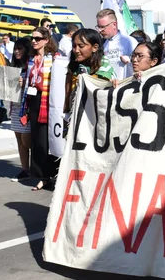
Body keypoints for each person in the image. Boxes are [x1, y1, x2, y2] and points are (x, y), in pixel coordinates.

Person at [19, 27, 60, 191]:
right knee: (37, 140)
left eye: (37, 38)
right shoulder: (31, 59)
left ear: (46, 40)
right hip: (34, 101)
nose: (34, 41)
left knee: (49, 141)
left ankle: (53, 175)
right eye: (32, 38)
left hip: (48, 101)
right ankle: (42, 176)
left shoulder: (55, 59)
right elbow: (30, 79)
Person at [64, 28, 115, 116]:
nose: (76, 50)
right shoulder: (74, 66)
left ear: (95, 47)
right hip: (75, 115)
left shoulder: (104, 70)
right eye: (74, 46)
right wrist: (66, 112)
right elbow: (68, 93)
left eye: (81, 46)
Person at [9, 37, 32, 182]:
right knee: (19, 139)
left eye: (20, 49)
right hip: (16, 107)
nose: (17, 51)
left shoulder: (31, 67)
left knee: (27, 140)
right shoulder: (14, 68)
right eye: (15, 49)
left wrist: (25, 85)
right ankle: (25, 169)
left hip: (27, 108)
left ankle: (36, 167)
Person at [96, 9, 138, 80]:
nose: (100, 30)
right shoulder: (101, 43)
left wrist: (129, 61)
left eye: (103, 27)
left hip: (124, 85)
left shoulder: (130, 41)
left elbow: (139, 64)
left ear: (114, 25)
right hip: (107, 86)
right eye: (98, 27)